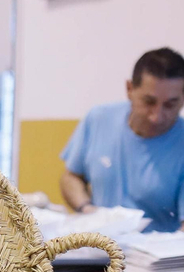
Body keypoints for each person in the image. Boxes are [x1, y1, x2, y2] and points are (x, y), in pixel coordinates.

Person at [60, 47, 184, 232]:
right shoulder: (99, 119)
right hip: (98, 244)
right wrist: (86, 209)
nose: (157, 117)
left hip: (158, 248)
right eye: (149, 102)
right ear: (130, 89)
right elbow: (72, 177)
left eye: (170, 105)